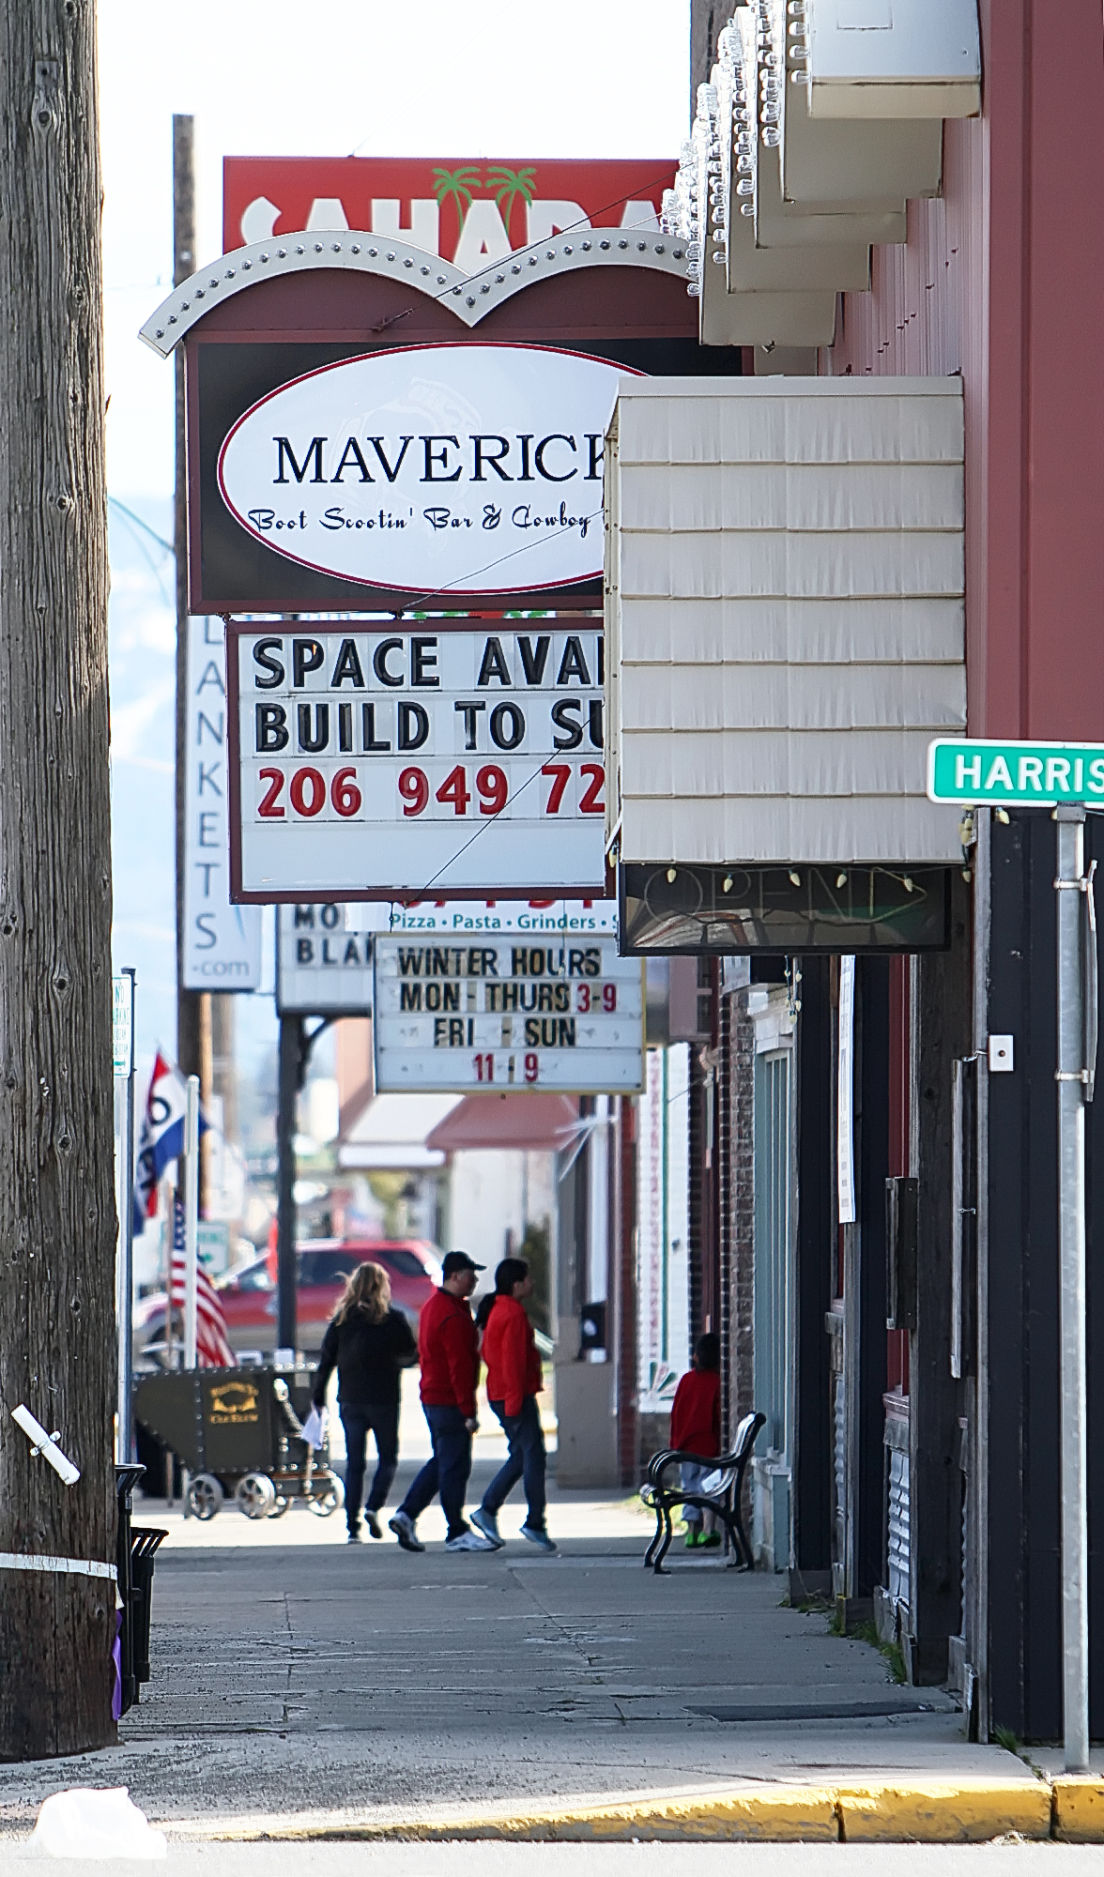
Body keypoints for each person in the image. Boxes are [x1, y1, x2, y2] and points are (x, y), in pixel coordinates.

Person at [388, 1250, 494, 1554]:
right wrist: (468, 1411)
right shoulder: (452, 1315)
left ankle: (406, 1515)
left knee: (442, 1462)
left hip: (433, 1397)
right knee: (455, 1467)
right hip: (448, 1402)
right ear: (456, 1276)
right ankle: (456, 1531)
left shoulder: (434, 1306)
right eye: (471, 1275)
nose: (474, 1281)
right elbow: (460, 1367)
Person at [311, 1261, 418, 1545]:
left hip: (351, 1400)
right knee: (388, 1458)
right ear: (382, 1286)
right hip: (383, 1399)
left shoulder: (341, 1321)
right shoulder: (392, 1319)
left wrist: (318, 1397)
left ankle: (352, 1527)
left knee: (355, 1464)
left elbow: (326, 1361)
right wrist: (393, 1361)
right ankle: (373, 1506)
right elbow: (411, 1354)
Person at [470, 1258, 556, 1553]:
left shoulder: (499, 1309)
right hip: (513, 1395)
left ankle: (489, 1509)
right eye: (528, 1279)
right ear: (516, 1284)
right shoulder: (513, 1314)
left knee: (522, 1454)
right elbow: (513, 1362)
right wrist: (516, 1402)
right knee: (533, 1456)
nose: (532, 1284)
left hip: (503, 1393)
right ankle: (534, 1521)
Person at [669, 1332, 722, 1549]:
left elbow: (676, 1413)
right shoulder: (716, 1382)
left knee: (689, 1487)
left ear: (697, 1357)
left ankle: (691, 1531)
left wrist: (675, 1443)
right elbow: (718, 1416)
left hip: (686, 1446)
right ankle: (708, 1530)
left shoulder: (686, 1380)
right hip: (708, 1446)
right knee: (709, 1487)